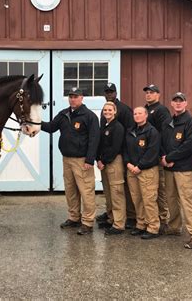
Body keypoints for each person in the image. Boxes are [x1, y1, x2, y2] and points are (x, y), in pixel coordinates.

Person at [41, 87, 100, 235]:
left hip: (82, 160)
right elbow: (50, 127)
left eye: (76, 96)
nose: (73, 99)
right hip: (67, 159)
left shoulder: (89, 116)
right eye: (70, 96)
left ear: (82, 98)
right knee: (71, 190)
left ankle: (87, 222)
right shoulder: (64, 114)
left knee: (86, 191)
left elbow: (94, 139)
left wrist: (90, 159)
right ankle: (74, 218)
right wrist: (36, 122)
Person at [161, 92, 192, 249]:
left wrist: (170, 158)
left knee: (188, 200)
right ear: (171, 104)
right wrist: (164, 157)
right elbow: (162, 142)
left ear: (186, 104)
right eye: (175, 101)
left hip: (185, 169)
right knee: (171, 199)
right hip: (169, 168)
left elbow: (189, 146)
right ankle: (174, 227)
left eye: (181, 101)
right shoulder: (168, 122)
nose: (178, 103)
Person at [97, 83, 137, 229]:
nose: (109, 94)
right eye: (106, 92)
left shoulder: (125, 111)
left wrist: (127, 157)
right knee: (109, 190)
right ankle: (111, 216)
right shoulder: (104, 116)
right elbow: (101, 138)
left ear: (116, 93)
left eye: (111, 92)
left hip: (119, 156)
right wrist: (99, 158)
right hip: (106, 159)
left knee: (119, 189)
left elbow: (125, 137)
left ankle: (128, 218)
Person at [124, 107, 161, 239]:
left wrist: (140, 166)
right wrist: (128, 163)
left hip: (147, 170)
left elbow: (152, 152)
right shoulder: (130, 131)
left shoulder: (152, 132)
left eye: (140, 113)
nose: (137, 115)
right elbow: (125, 149)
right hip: (132, 170)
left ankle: (153, 227)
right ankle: (141, 224)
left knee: (149, 199)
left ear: (146, 115)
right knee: (137, 199)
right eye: (135, 113)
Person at [143, 84, 171, 233]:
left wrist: (163, 154)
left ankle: (163, 219)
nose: (148, 95)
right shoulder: (145, 110)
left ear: (158, 95)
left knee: (160, 189)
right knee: (150, 190)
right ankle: (150, 219)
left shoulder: (161, 110)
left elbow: (165, 133)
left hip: (158, 155)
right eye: (147, 92)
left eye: (152, 92)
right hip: (147, 155)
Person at [96, 102, 126, 235]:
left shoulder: (118, 127)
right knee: (108, 193)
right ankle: (111, 218)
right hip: (104, 162)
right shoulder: (104, 126)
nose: (107, 112)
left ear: (115, 112)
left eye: (110, 110)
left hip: (113, 162)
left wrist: (104, 160)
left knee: (116, 193)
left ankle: (119, 224)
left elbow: (115, 148)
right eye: (105, 110)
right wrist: (99, 160)